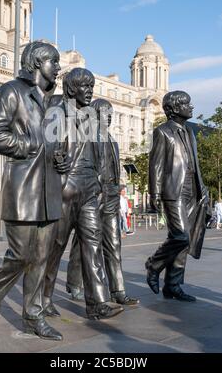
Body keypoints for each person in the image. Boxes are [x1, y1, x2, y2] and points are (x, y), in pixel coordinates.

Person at [0, 41, 69, 340]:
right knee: (20, 255)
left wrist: (59, 156)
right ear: (36, 62)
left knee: (41, 258)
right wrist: (27, 146)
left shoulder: (54, 102)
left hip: (50, 189)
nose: (58, 67)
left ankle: (33, 317)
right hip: (23, 188)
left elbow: (55, 142)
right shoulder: (12, 91)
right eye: (53, 61)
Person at [43, 69, 124, 320]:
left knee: (93, 243)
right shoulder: (57, 109)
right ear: (70, 89)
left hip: (90, 187)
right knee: (56, 246)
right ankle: (43, 298)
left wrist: (100, 182)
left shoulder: (91, 116)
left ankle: (97, 302)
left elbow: (99, 152)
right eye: (84, 86)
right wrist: (55, 159)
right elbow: (44, 143)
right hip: (65, 186)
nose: (89, 91)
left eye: (91, 86)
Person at [66, 99, 139, 306]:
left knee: (114, 244)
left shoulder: (113, 141)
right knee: (84, 244)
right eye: (104, 111)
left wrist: (117, 190)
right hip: (92, 196)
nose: (109, 115)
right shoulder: (85, 137)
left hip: (112, 197)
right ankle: (74, 283)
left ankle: (118, 290)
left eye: (111, 111)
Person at [145, 90, 209, 302]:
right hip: (174, 190)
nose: (191, 107)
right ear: (173, 108)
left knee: (186, 240)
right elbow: (155, 165)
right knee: (181, 236)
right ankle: (154, 264)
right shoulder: (162, 132)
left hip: (193, 190)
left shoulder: (190, 132)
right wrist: (154, 192)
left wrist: (203, 188)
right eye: (186, 103)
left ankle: (173, 285)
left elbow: (195, 163)